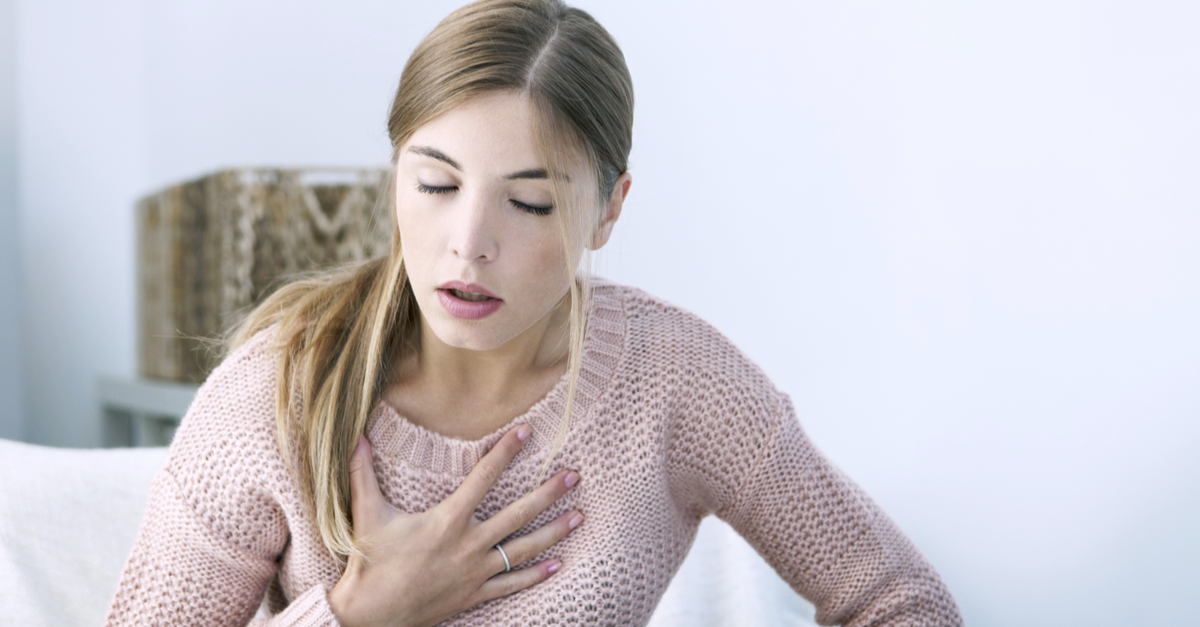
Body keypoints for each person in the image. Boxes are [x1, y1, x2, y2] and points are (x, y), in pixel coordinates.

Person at [105, 0, 963, 625]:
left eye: (530, 203)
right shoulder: (278, 395)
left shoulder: (677, 381)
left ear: (609, 209)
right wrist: (358, 613)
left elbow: (904, 600)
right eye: (435, 183)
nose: (466, 243)